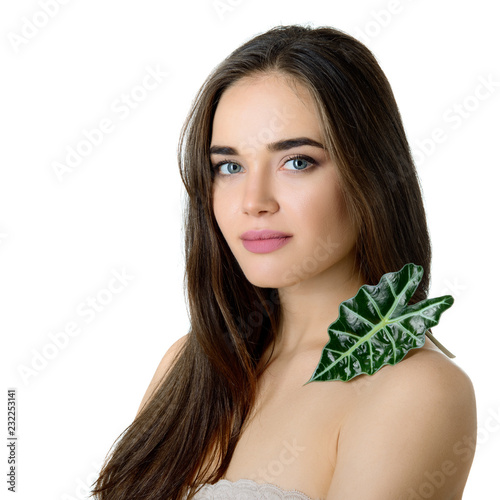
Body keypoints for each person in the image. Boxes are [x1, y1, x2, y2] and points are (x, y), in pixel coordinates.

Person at [91, 24, 477, 500]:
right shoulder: (187, 364)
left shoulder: (416, 390)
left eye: (296, 161)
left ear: (371, 173)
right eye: (229, 167)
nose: (254, 201)